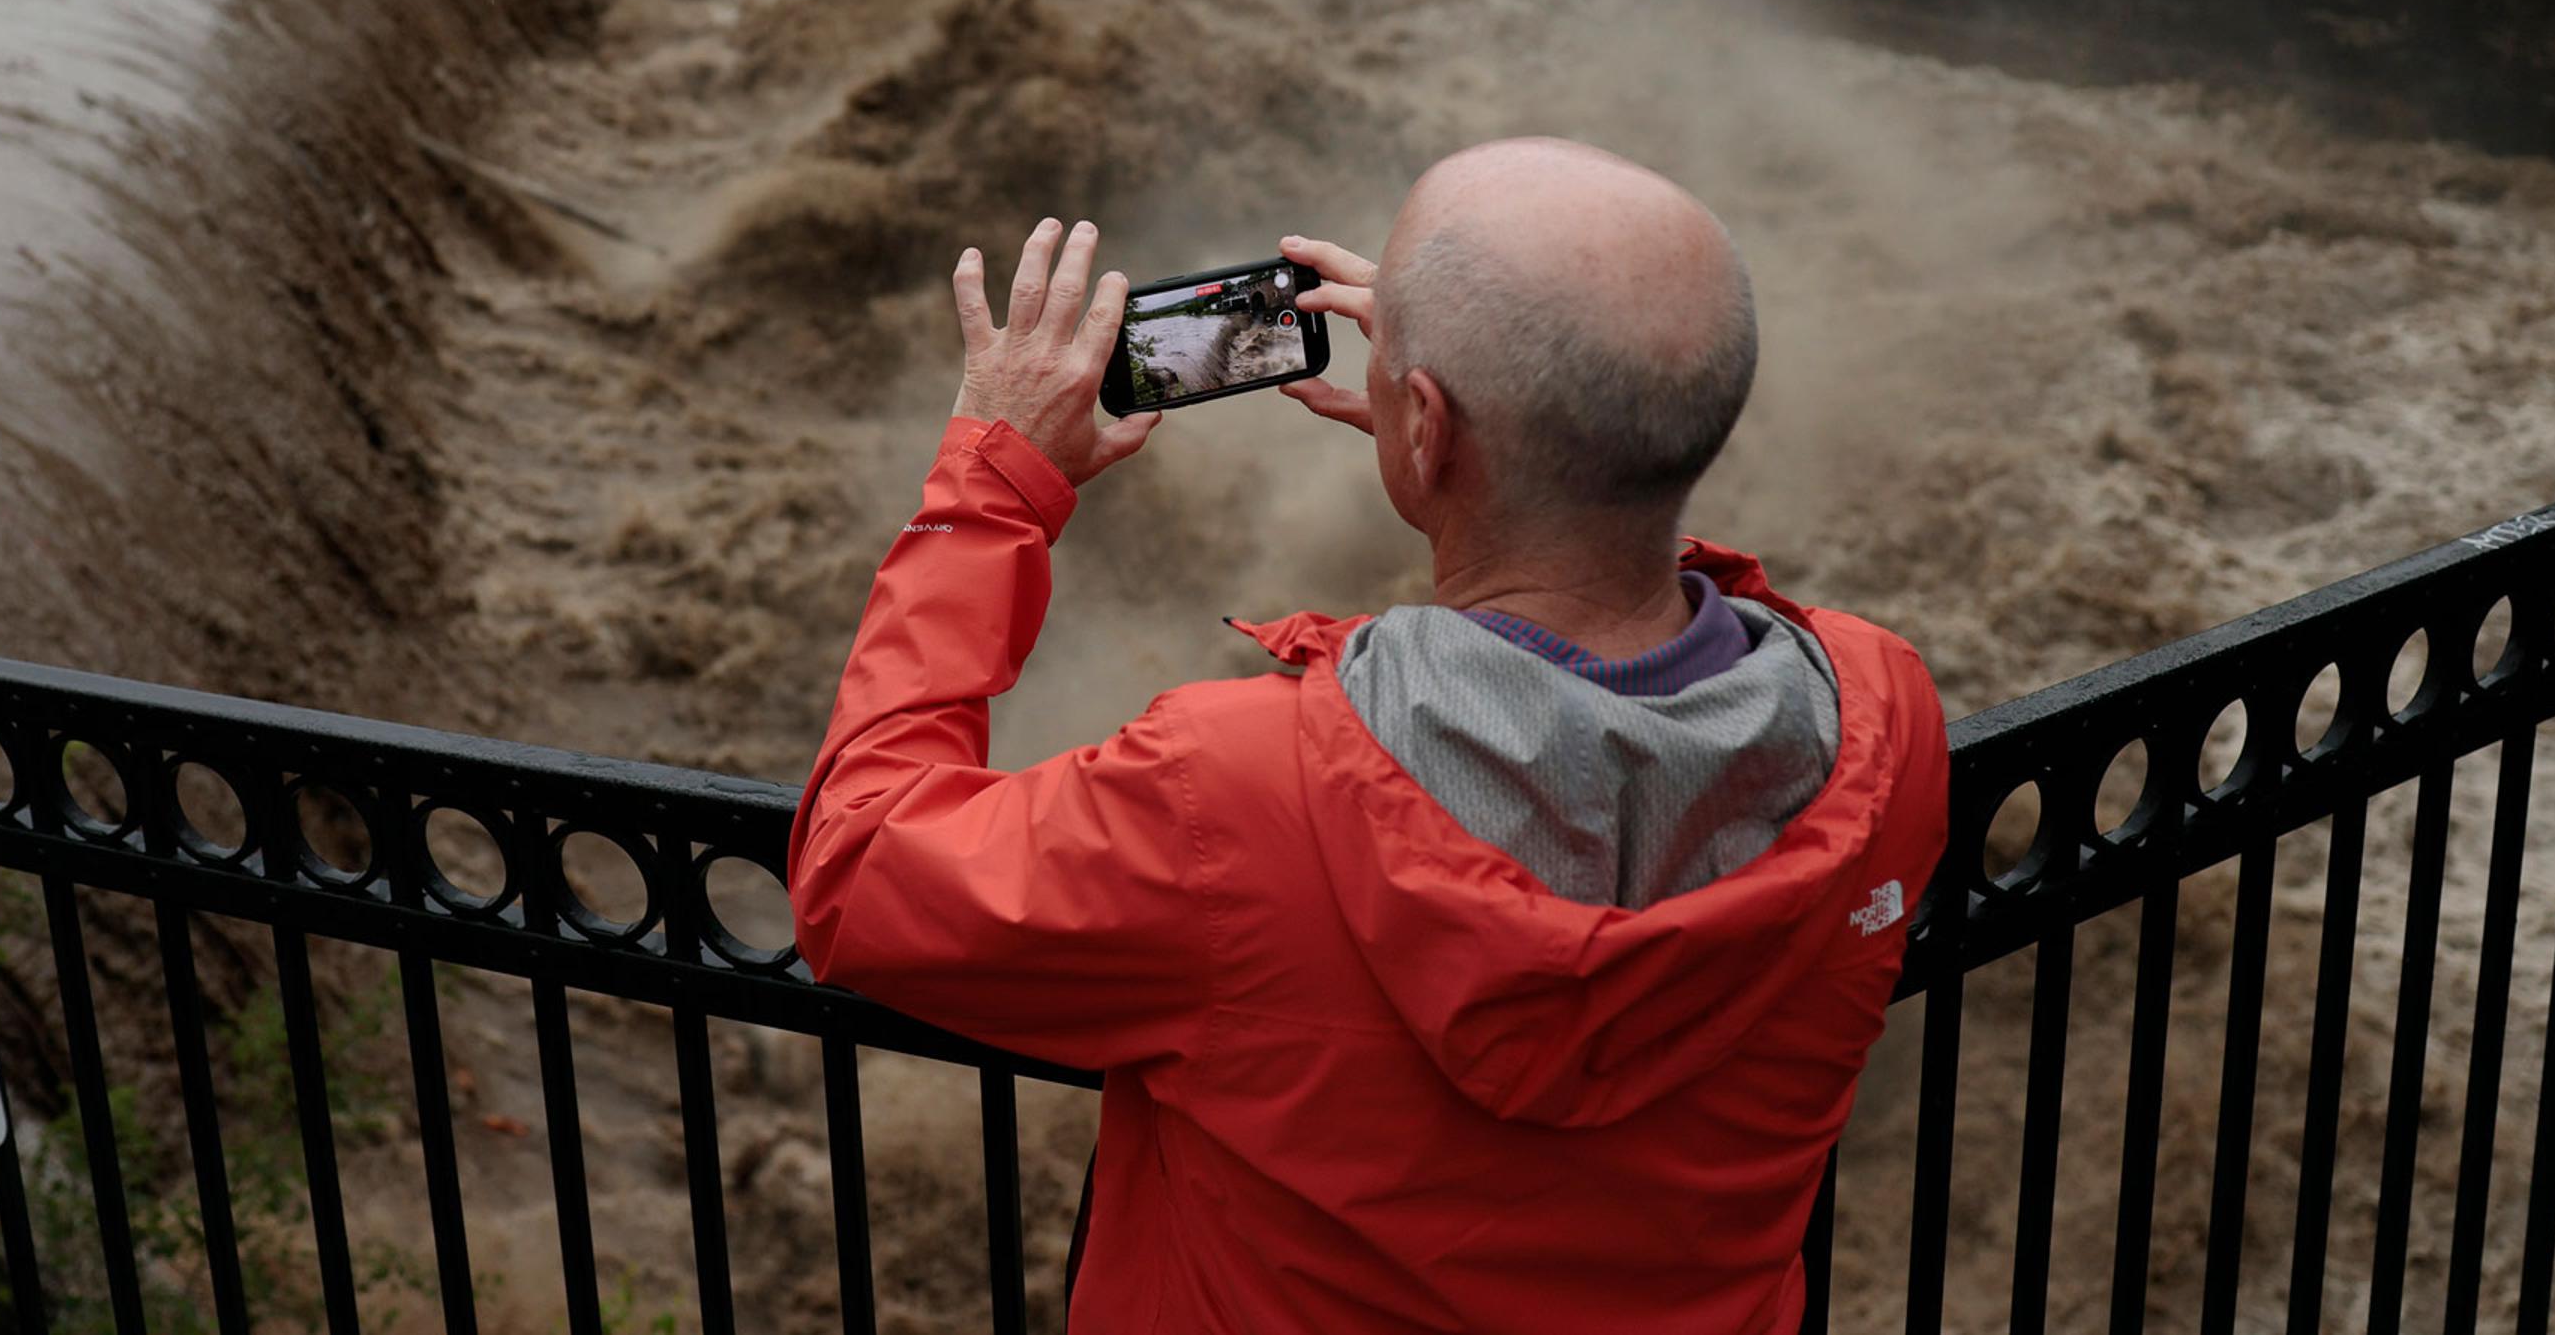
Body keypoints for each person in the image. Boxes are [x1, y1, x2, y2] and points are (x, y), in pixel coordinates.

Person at [788, 140, 1948, 1333]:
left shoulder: (1226, 798)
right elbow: (1632, 556)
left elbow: (855, 871)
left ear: (1428, 422)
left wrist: (993, 484)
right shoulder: (1882, 722)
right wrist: (1486, 469)